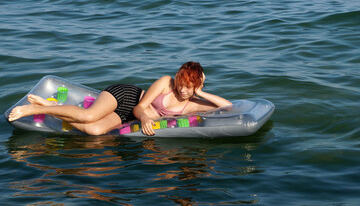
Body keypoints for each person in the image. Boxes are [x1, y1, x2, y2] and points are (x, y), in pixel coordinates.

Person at [8, 62, 232, 136]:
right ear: (177, 79)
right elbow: (140, 107)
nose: (183, 90)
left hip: (125, 117)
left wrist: (200, 92)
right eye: (182, 84)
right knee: (89, 115)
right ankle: (33, 110)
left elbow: (228, 106)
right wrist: (145, 119)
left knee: (94, 131)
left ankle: (51, 106)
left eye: (189, 87)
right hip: (126, 97)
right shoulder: (166, 83)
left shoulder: (193, 101)